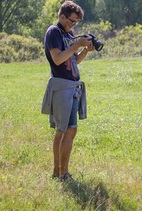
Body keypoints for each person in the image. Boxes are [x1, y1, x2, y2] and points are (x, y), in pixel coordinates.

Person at [41, 0, 94, 181]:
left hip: (71, 87)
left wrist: (84, 50)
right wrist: (75, 45)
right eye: (71, 21)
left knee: (68, 131)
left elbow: (72, 61)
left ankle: (60, 173)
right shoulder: (53, 32)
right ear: (62, 16)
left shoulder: (68, 33)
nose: (73, 25)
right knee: (63, 131)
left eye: (76, 22)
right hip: (61, 87)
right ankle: (61, 173)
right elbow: (57, 59)